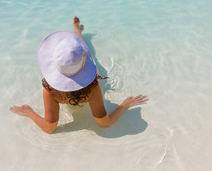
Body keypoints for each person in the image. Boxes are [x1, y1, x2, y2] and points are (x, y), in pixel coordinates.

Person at [10, 17, 148, 133]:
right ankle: (76, 30)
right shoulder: (93, 86)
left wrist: (29, 112)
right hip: (88, 87)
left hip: (64, 91)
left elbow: (49, 128)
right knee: (82, 51)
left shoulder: (50, 90)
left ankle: (77, 30)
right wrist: (124, 105)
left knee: (78, 52)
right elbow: (105, 123)